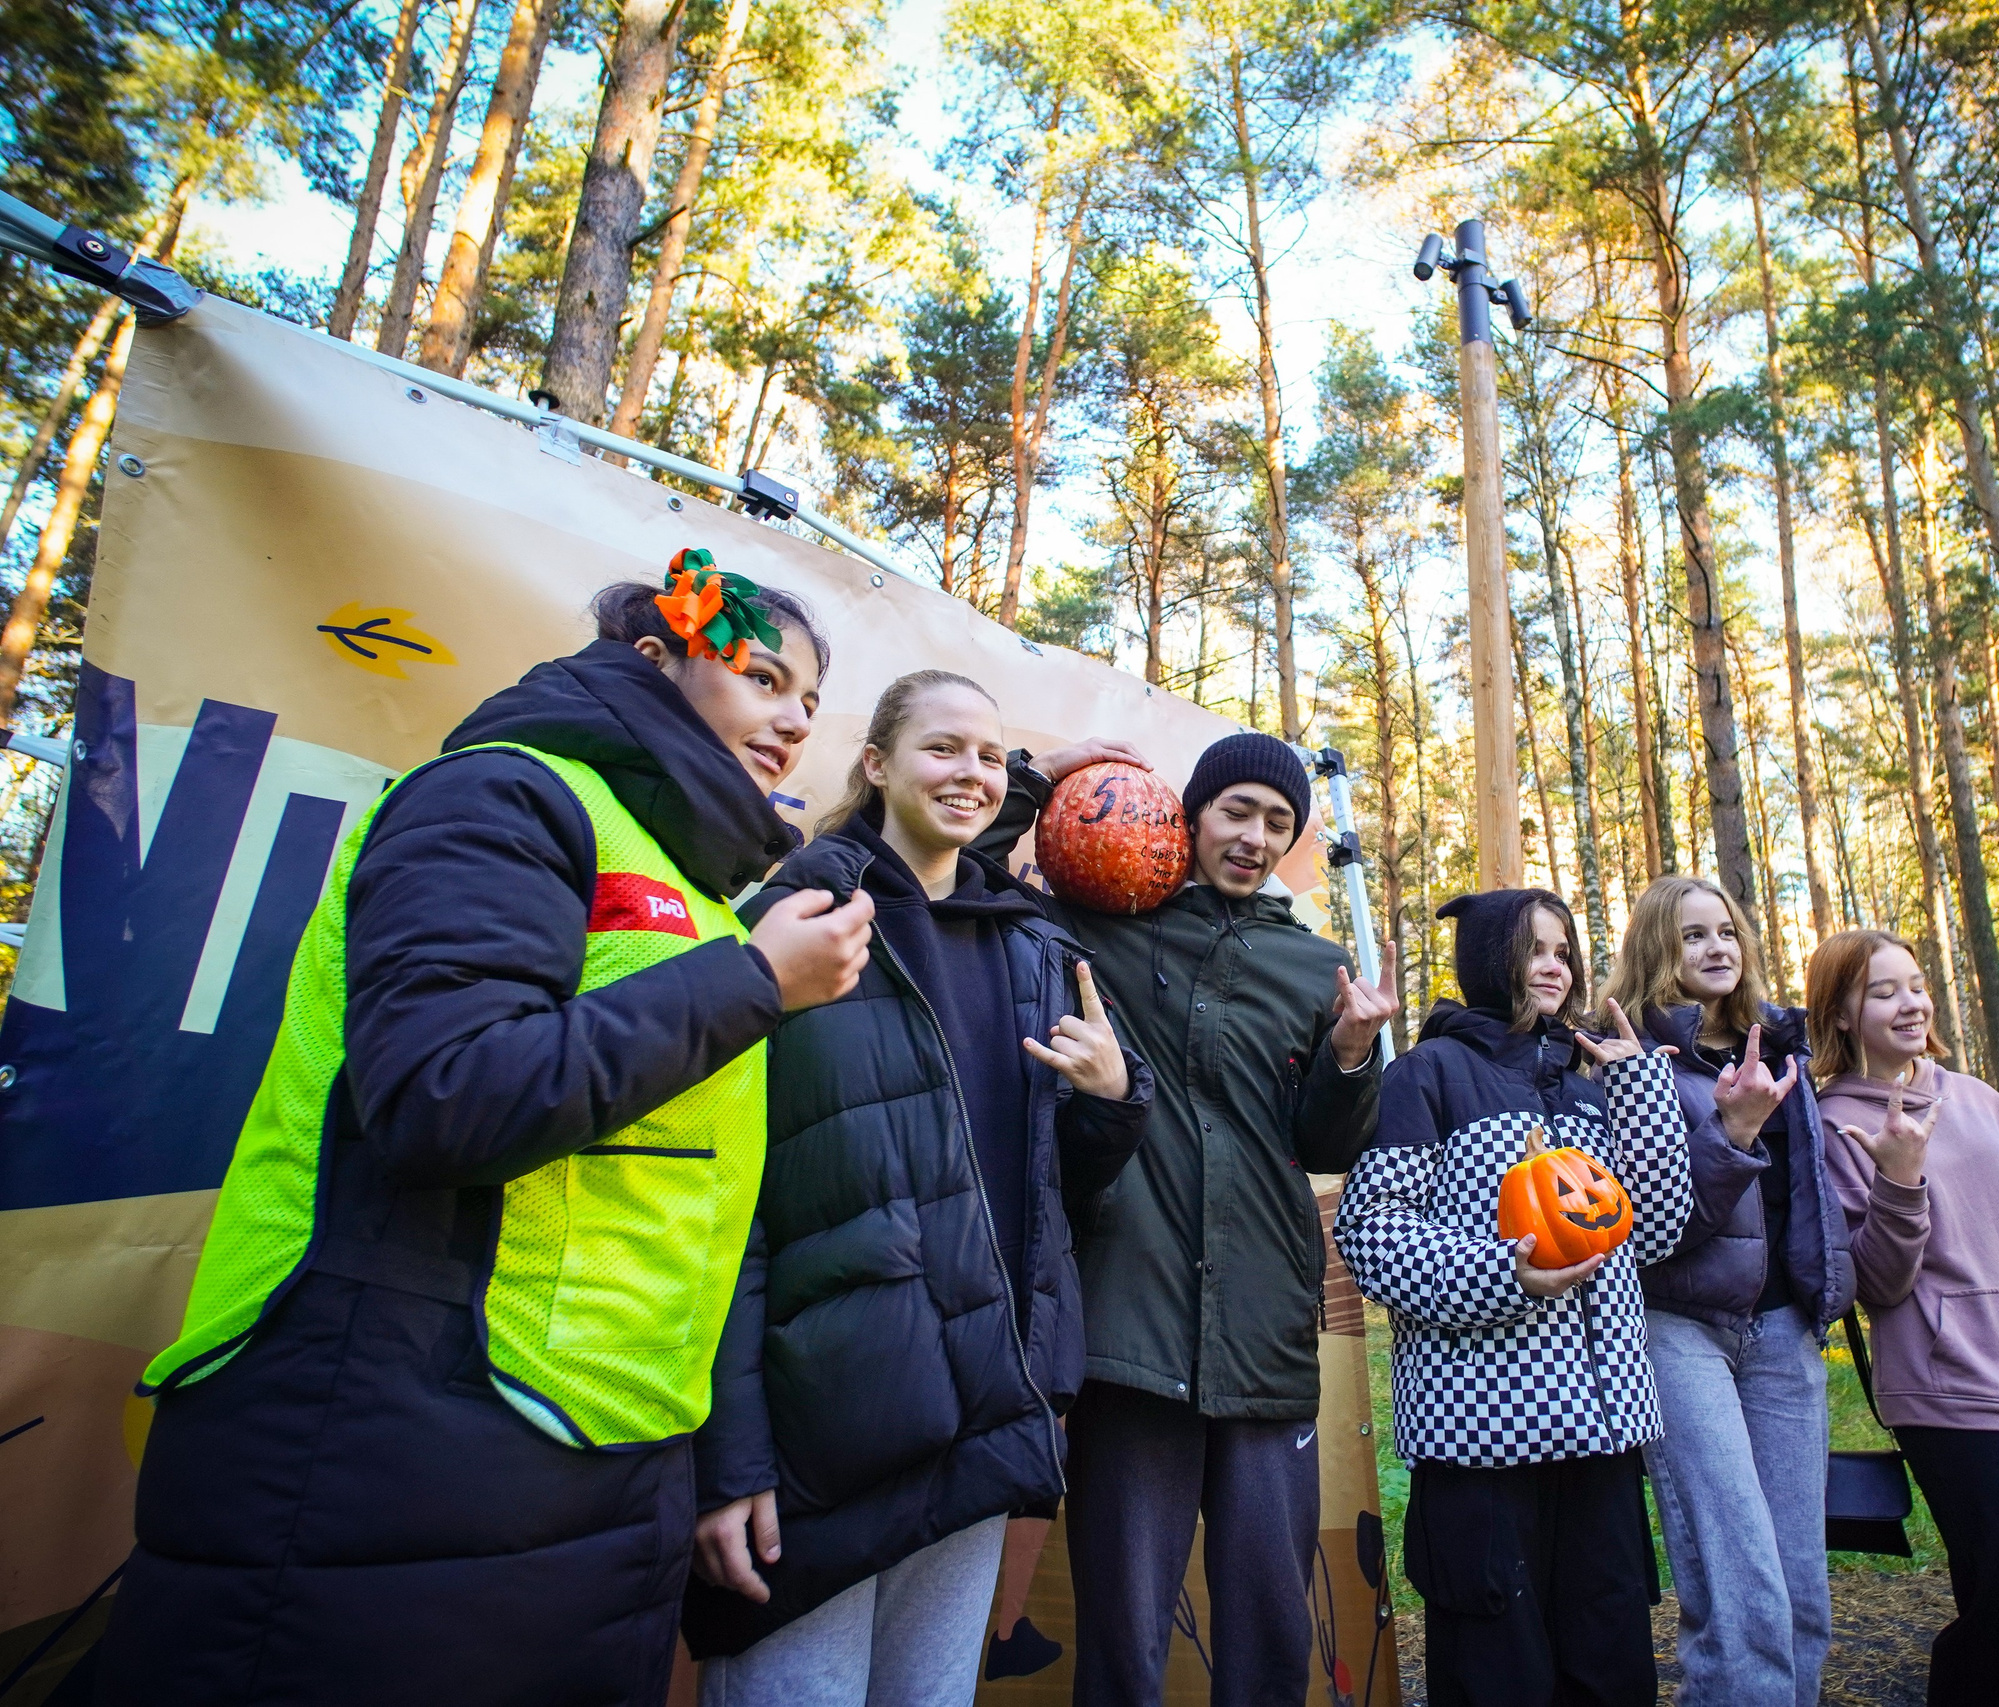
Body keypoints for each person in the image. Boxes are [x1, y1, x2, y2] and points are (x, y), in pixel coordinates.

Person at [97, 557, 874, 1706]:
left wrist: (710, 1462)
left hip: (593, 1475)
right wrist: (752, 985)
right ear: (654, 659)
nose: (796, 719)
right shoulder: (501, 795)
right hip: (394, 1458)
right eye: (763, 677)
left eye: (809, 700)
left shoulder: (701, 895)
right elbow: (446, 1094)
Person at [680, 669, 1152, 1705]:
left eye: (988, 755)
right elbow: (720, 1211)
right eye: (942, 748)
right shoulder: (790, 923)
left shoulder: (1035, 944)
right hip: (820, 1433)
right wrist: (729, 1455)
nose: (970, 773)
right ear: (876, 763)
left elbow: (1054, 1189)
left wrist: (1113, 1098)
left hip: (980, 1415)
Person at [974, 730, 1399, 1706]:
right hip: (1130, 1322)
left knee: (1271, 1632)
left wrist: (1348, 1053)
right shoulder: (1103, 925)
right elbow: (972, 874)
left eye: (1278, 823)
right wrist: (1041, 773)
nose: (1255, 837)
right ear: (1191, 815)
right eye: (1236, 811)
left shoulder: (1316, 966)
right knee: (1123, 1639)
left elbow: (1328, 1144)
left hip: (1264, 1329)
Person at [1333, 889, 1691, 1707]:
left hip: (1600, 1435)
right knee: (1500, 1675)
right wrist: (1504, 1274)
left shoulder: (1591, 1081)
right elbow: (1372, 1230)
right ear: (1489, 959)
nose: (1553, 965)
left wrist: (1640, 1088)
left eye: (1563, 950)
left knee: (1610, 1666)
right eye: (1532, 948)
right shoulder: (1428, 1073)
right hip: (1483, 1439)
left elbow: (1657, 1231)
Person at [1810, 928, 1999, 1707]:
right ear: (1840, 1012)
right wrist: (1900, 1180)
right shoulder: (1836, 1120)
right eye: (1884, 991)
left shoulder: (1976, 1097)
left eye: (1916, 984)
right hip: (1953, 1388)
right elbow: (1877, 1281)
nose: (1911, 1002)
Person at [1599, 875, 1851, 1707]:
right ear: (1656, 948)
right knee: (1741, 1579)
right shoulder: (1629, 1054)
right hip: (1680, 1327)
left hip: (1783, 1329)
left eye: (1727, 932)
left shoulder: (1783, 1044)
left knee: (1800, 1586)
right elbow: (1649, 1224)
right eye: (1693, 934)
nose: (1717, 948)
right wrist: (1733, 1130)